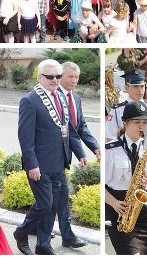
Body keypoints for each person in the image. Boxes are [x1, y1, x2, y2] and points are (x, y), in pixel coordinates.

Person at [13, 59, 86, 255]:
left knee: (52, 206)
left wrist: (80, 153)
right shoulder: (30, 100)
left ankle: (43, 245)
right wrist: (32, 164)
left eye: (57, 76)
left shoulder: (60, 97)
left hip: (59, 162)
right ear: (39, 77)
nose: (55, 80)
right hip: (40, 164)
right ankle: (21, 232)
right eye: (50, 76)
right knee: (45, 203)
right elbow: (25, 138)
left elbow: (69, 129)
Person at [105, 101, 147, 254]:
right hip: (120, 210)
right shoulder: (111, 150)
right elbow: (102, 184)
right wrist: (114, 203)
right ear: (125, 122)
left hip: (146, 212)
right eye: (137, 122)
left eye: (144, 122)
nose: (142, 126)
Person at [53, 62, 96, 250]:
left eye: (76, 77)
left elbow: (80, 126)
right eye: (70, 76)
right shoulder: (54, 97)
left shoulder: (76, 98)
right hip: (53, 154)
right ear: (60, 76)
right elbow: (66, 129)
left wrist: (95, 147)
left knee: (54, 196)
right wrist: (81, 153)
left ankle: (33, 227)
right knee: (61, 195)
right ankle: (67, 236)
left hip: (65, 154)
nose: (74, 80)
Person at [105, 69, 147, 142]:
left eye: (142, 86)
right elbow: (110, 136)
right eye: (135, 86)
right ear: (126, 88)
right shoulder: (116, 110)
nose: (140, 90)